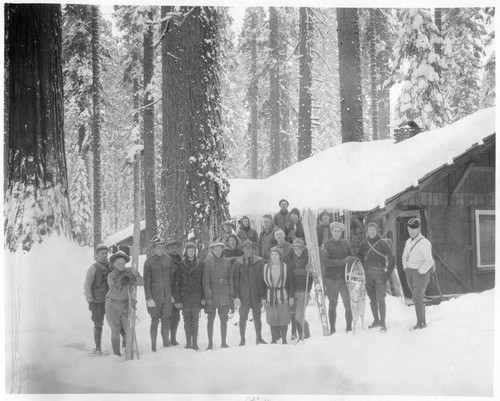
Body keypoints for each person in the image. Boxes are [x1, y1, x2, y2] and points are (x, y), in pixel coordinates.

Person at [357, 222, 396, 332]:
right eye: (369, 230)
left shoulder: (383, 243)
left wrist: (387, 274)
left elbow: (392, 258)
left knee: (381, 299)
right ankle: (376, 321)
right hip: (368, 274)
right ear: (367, 231)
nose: (371, 232)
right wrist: (363, 268)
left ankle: (383, 323)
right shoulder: (364, 243)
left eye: (373, 230)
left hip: (380, 274)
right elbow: (359, 255)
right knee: (372, 299)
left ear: (377, 230)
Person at [105, 251, 144, 357]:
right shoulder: (111, 275)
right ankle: (116, 354)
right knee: (115, 329)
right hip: (112, 304)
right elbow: (115, 292)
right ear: (114, 264)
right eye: (118, 262)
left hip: (126, 305)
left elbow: (142, 282)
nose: (121, 265)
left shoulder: (130, 271)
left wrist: (133, 279)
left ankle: (128, 350)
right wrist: (123, 280)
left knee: (128, 328)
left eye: (123, 262)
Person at [322, 222, 355, 334]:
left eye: (339, 231)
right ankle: (332, 329)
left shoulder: (345, 243)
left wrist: (354, 259)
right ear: (331, 232)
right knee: (333, 303)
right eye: (335, 231)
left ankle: (349, 327)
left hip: (344, 278)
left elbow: (350, 255)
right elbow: (325, 261)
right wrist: (342, 262)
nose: (336, 233)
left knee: (347, 302)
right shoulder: (326, 245)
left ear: (342, 232)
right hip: (331, 278)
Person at [143, 236, 175, 352]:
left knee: (166, 321)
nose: (161, 249)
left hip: (167, 297)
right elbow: (147, 282)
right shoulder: (149, 262)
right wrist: (149, 298)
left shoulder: (168, 260)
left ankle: (166, 345)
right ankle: (153, 347)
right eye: (158, 247)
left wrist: (172, 295)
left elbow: (172, 279)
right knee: (155, 321)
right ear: (153, 248)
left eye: (162, 246)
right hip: (155, 298)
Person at [233, 239, 267, 346]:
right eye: (245, 248)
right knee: (242, 318)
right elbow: (235, 281)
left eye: (250, 248)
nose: (248, 250)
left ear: (253, 249)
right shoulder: (237, 263)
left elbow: (263, 281)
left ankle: (259, 338)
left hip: (257, 295)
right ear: (242, 249)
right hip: (243, 297)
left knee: (257, 318)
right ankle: (242, 340)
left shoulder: (259, 262)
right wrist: (236, 297)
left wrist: (263, 296)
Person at [402, 218, 434, 330]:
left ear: (418, 229)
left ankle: (421, 323)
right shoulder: (408, 242)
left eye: (413, 230)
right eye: (409, 229)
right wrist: (406, 268)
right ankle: (420, 321)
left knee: (416, 297)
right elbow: (404, 257)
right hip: (409, 272)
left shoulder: (425, 242)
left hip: (421, 273)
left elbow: (429, 261)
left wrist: (420, 271)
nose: (411, 232)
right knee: (416, 298)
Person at [173, 242, 205, 351]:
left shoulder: (201, 264)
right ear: (185, 252)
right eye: (189, 250)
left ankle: (195, 343)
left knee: (195, 321)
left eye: (193, 250)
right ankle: (188, 343)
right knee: (187, 320)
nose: (191, 252)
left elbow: (203, 283)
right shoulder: (180, 265)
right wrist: (177, 300)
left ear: (195, 252)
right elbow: (176, 283)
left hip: (196, 297)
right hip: (185, 297)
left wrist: (203, 298)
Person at [203, 242, 234, 350]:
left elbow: (230, 279)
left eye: (219, 250)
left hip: (224, 292)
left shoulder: (227, 262)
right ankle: (210, 343)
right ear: (212, 251)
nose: (217, 252)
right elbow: (205, 281)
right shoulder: (208, 262)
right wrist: (208, 296)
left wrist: (231, 294)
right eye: (215, 250)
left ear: (222, 250)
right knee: (210, 319)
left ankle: (224, 342)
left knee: (223, 319)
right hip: (212, 293)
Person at [262, 246, 295, 344]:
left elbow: (290, 283)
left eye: (276, 254)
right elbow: (261, 284)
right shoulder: (265, 267)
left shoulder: (285, 266)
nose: (274, 256)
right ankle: (273, 339)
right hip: (270, 295)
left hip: (283, 295)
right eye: (272, 254)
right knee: (272, 316)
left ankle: (284, 339)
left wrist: (291, 296)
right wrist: (263, 297)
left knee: (283, 316)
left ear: (280, 256)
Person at [84, 244, 112, 355]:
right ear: (97, 255)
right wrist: (90, 301)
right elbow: (87, 285)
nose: (104, 255)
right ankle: (98, 348)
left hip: (110, 300)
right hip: (97, 302)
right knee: (98, 324)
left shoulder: (111, 266)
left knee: (116, 324)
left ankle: (122, 346)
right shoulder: (93, 268)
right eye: (102, 253)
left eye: (106, 253)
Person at [288, 238, 313, 341]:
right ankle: (301, 336)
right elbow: (290, 280)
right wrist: (290, 294)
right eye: (295, 249)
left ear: (303, 249)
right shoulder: (292, 263)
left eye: (299, 248)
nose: (297, 251)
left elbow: (314, 277)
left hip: (304, 291)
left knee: (299, 316)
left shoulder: (308, 260)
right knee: (295, 315)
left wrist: (310, 272)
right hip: (294, 292)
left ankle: (307, 336)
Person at [166, 238, 183, 346]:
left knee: (176, 316)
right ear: (168, 249)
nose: (174, 250)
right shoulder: (166, 260)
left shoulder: (180, 260)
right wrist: (170, 294)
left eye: (176, 248)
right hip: (169, 292)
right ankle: (166, 339)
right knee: (168, 317)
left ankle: (173, 339)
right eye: (172, 248)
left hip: (179, 292)